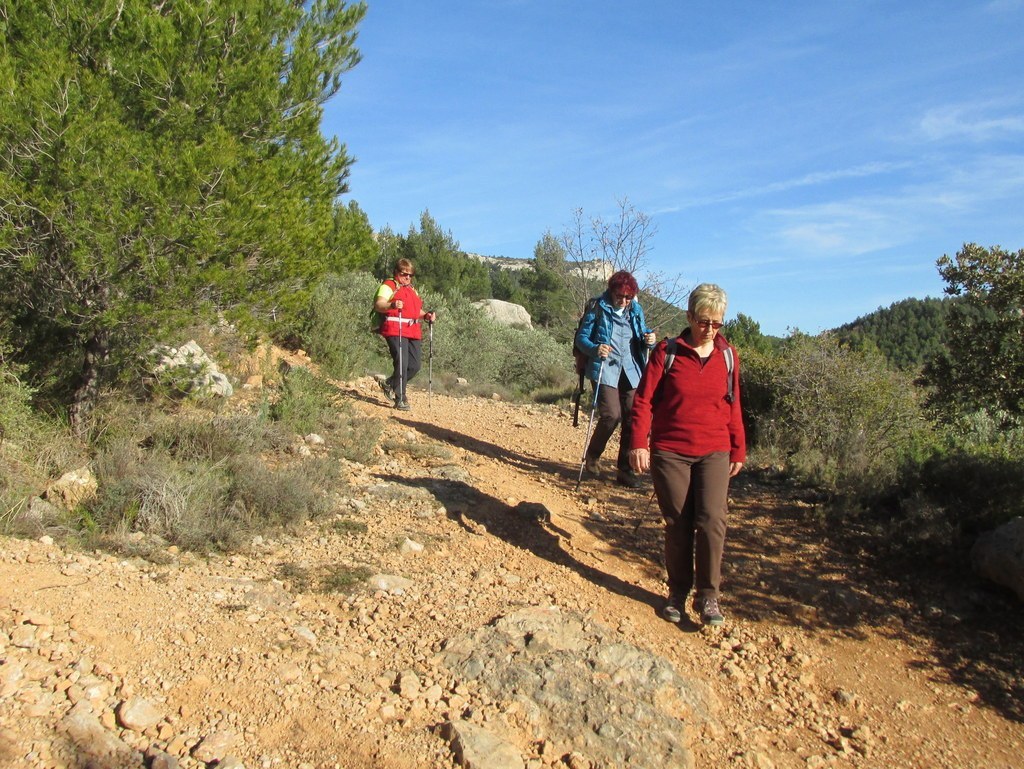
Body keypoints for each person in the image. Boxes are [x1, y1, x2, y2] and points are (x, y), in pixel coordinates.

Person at [628, 283, 745, 627]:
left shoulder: (728, 356)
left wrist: (738, 447)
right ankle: (677, 591)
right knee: (678, 523)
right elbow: (644, 401)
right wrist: (638, 442)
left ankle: (708, 596)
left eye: (717, 323)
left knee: (712, 521)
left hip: (715, 450)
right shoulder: (668, 352)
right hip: (671, 451)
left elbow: (734, 403)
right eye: (704, 321)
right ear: (690, 316)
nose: (709, 329)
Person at [575, 270, 657, 488]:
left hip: (631, 369)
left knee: (635, 415)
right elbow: (581, 338)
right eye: (620, 296)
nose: (624, 301)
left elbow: (641, 336)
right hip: (604, 367)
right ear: (611, 291)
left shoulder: (635, 310)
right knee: (611, 415)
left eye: (628, 297)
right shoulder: (597, 307)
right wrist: (595, 348)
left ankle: (625, 470)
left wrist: (650, 339)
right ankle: (593, 455)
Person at [374, 259, 436, 410]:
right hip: (395, 328)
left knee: (414, 366)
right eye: (404, 274)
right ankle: (401, 398)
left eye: (410, 275)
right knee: (402, 363)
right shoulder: (389, 286)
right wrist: (392, 305)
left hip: (412, 330)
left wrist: (426, 315)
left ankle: (390, 383)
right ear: (396, 272)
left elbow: (414, 311)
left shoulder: (412, 289)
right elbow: (378, 304)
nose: (408, 277)